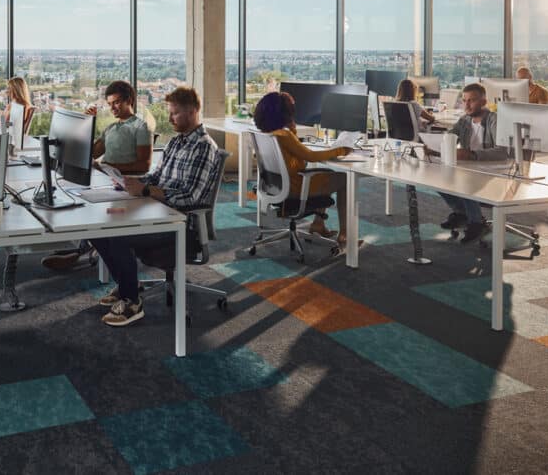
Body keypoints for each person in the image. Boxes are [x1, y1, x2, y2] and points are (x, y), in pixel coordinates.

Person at [90, 86, 223, 327]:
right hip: (158, 212)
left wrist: (147, 191)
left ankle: (132, 302)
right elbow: (158, 176)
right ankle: (127, 286)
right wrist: (132, 183)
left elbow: (191, 197)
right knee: (98, 228)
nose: (170, 119)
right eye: (170, 113)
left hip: (182, 224)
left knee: (118, 234)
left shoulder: (203, 147)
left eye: (175, 114)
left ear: (193, 111)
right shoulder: (176, 142)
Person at [41, 80, 152, 272]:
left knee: (97, 212)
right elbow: (89, 154)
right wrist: (86, 123)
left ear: (129, 100)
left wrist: (107, 167)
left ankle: (79, 254)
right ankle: (81, 250)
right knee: (81, 201)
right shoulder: (110, 129)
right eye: (109, 104)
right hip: (109, 184)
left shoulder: (140, 127)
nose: (113, 108)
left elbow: (144, 165)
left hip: (128, 189)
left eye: (117, 102)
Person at [252, 91, 355, 245]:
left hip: (276, 187)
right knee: (344, 179)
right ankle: (345, 235)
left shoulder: (268, 134)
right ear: (286, 114)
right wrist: (342, 150)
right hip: (296, 189)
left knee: (324, 176)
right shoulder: (284, 136)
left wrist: (291, 130)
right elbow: (310, 156)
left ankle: (318, 224)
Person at [433, 83, 509, 243]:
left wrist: (472, 154)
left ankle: (477, 222)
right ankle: (461, 213)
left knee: (466, 181)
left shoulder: (494, 120)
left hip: (494, 171)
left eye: (471, 100)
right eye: (464, 100)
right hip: (471, 167)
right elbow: (449, 137)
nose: (466, 105)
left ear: (483, 102)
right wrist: (433, 147)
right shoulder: (464, 120)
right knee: (436, 180)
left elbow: (502, 152)